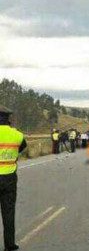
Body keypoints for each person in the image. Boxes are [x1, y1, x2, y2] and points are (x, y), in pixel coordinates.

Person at [0, 105, 26, 251]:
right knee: (8, 212)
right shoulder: (16, 134)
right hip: (9, 177)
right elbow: (23, 146)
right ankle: (10, 245)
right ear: (8, 119)